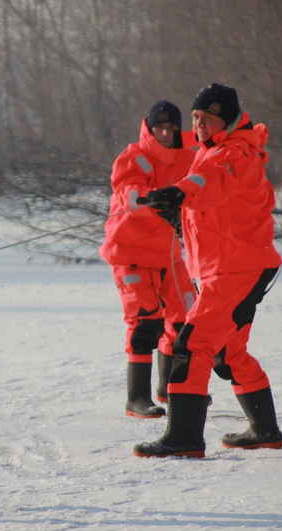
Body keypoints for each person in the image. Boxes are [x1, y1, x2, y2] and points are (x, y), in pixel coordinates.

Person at [134, 83, 282, 458]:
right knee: (230, 352)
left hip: (237, 270)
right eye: (197, 118)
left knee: (192, 344)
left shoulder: (235, 154)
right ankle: (264, 430)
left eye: (207, 118)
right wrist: (176, 215)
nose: (199, 125)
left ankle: (183, 437)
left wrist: (180, 191)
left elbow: (208, 182)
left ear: (228, 119)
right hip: (233, 267)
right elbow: (214, 210)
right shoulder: (214, 151)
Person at [99, 100, 198, 419]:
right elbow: (126, 190)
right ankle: (136, 398)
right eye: (159, 129)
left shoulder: (190, 154)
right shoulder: (134, 156)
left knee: (185, 320)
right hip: (130, 251)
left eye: (170, 129)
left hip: (169, 253)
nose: (165, 134)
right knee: (145, 323)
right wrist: (150, 200)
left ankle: (169, 388)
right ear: (149, 127)